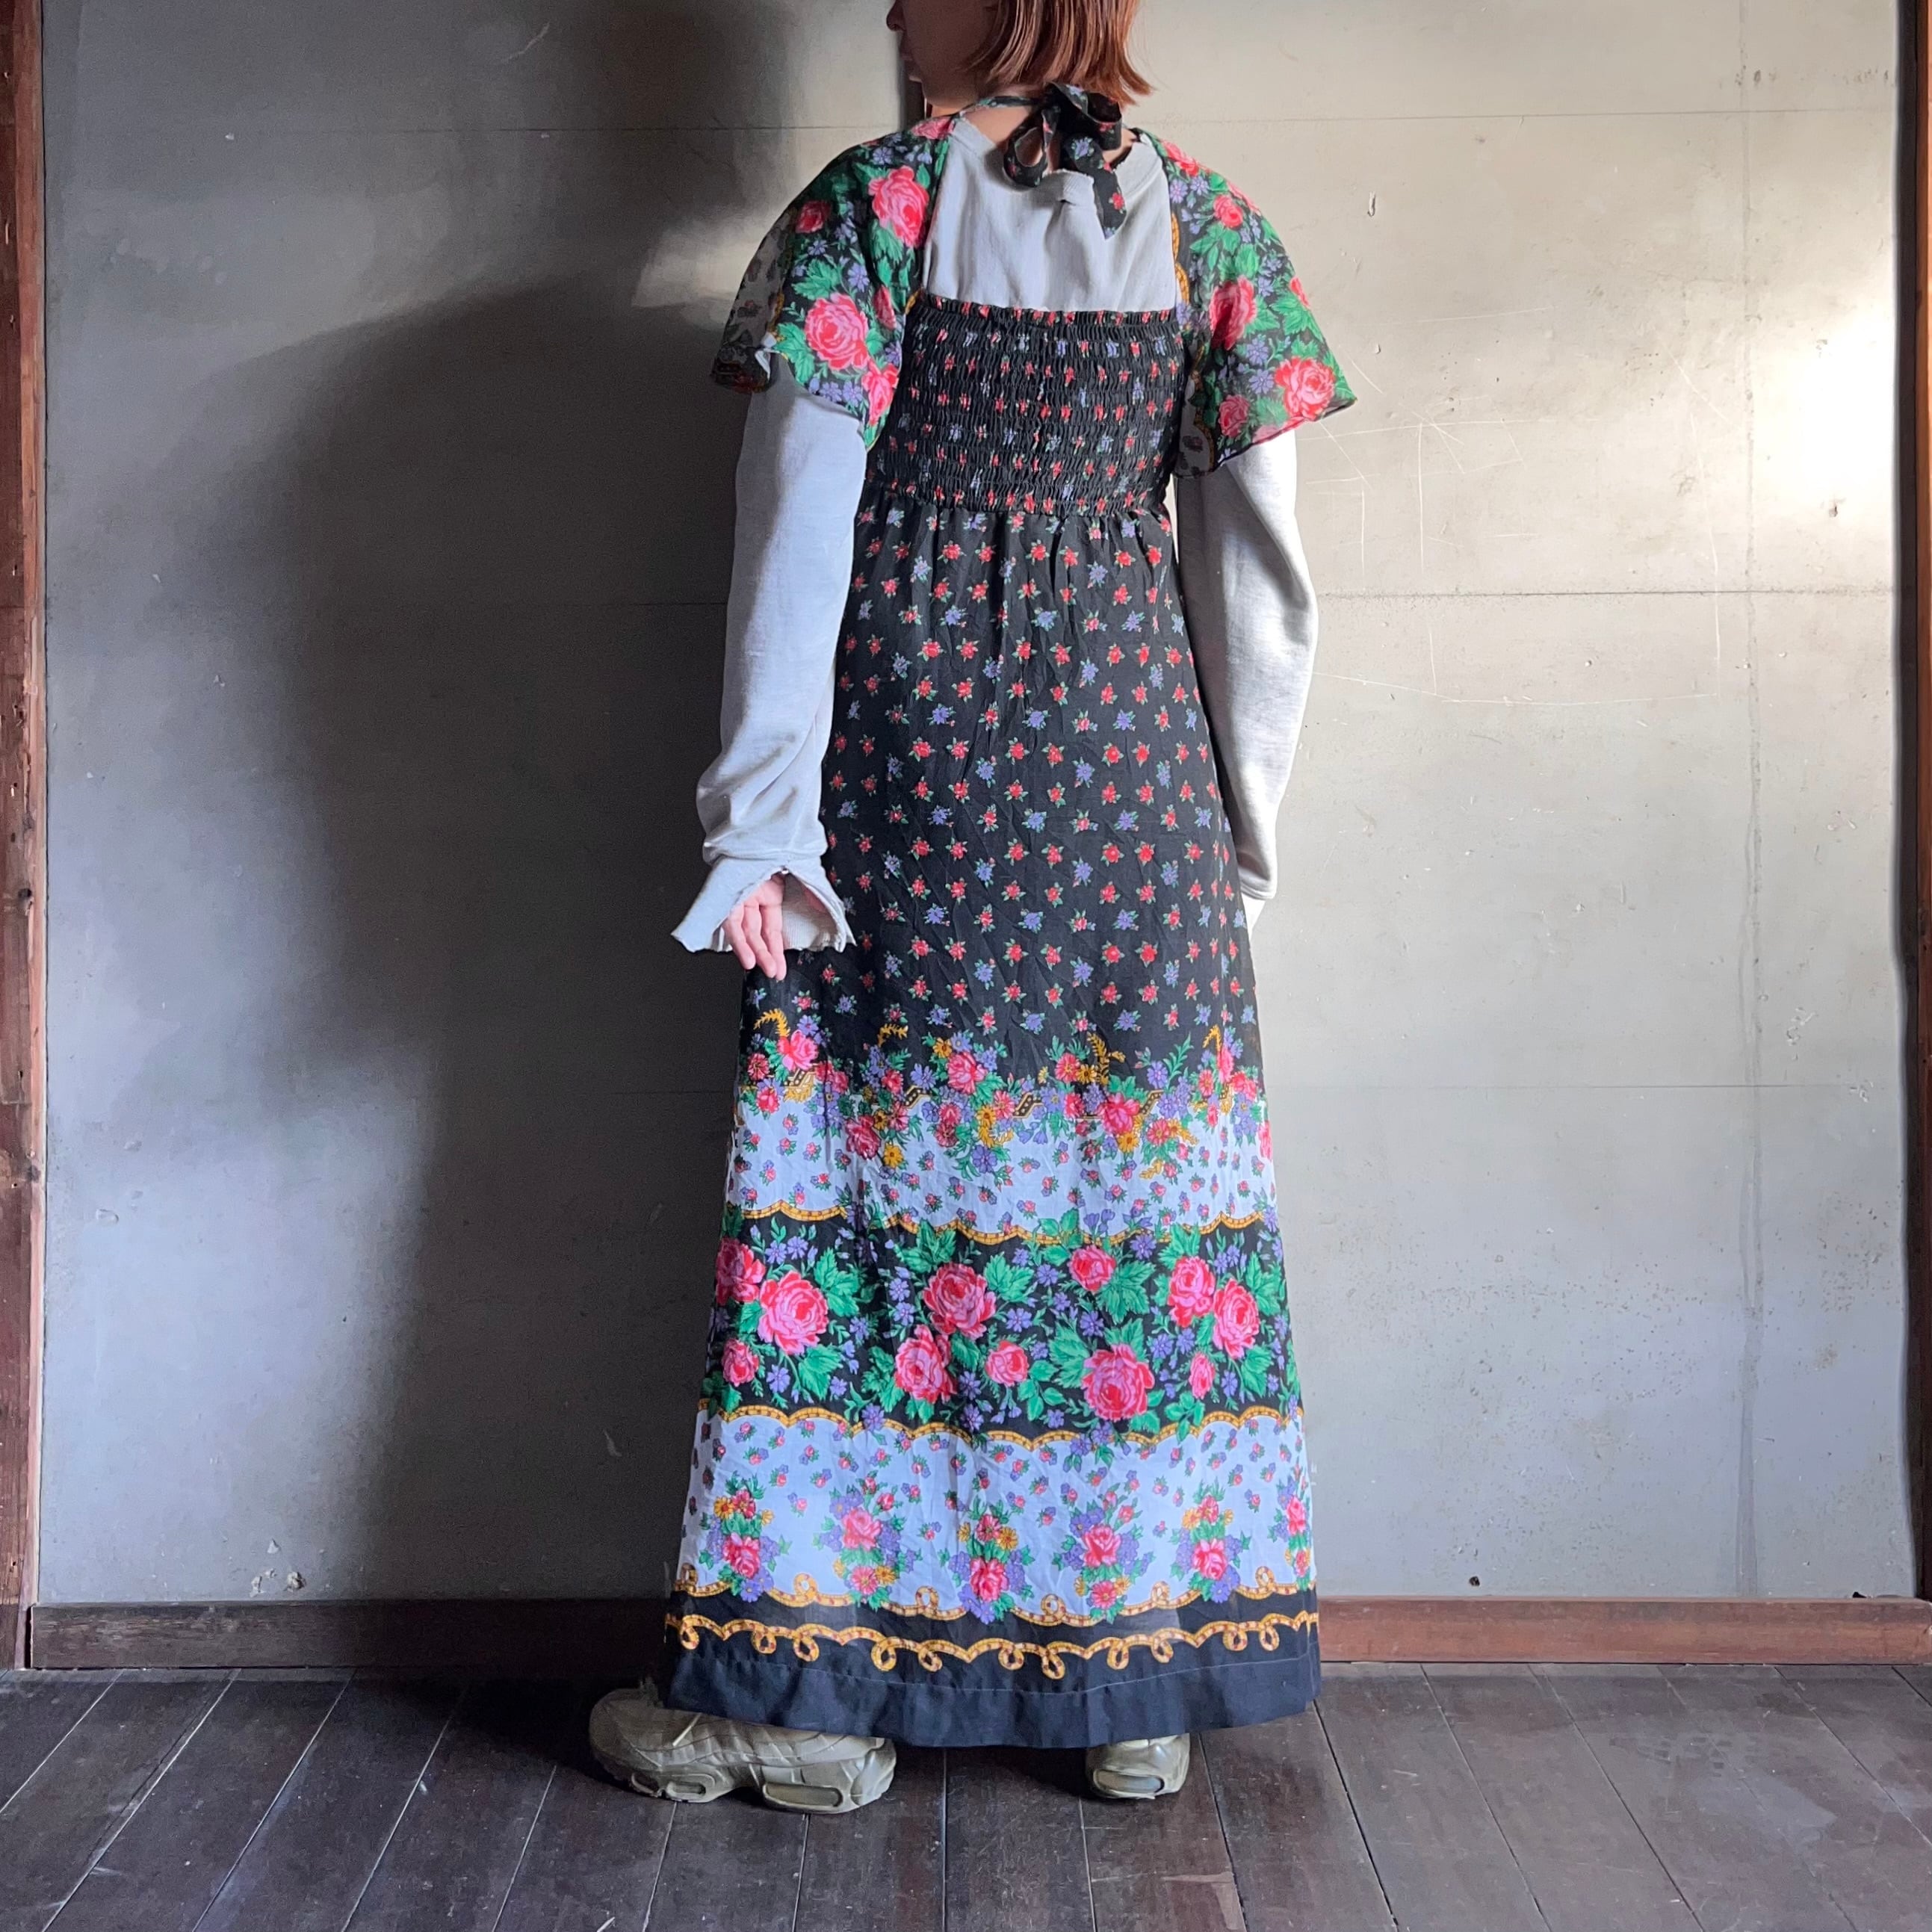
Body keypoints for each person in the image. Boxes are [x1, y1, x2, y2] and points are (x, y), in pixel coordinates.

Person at [591, 0, 1354, 1811]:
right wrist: (1234, 846)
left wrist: (762, 822)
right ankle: (1132, 1693)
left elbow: (798, 526)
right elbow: (1264, 584)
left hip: (912, 773)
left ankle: (809, 1711)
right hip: (1136, 789)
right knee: (1126, 1217)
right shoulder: (1218, 227)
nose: (887, 11)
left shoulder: (874, 208)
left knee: (868, 1214)